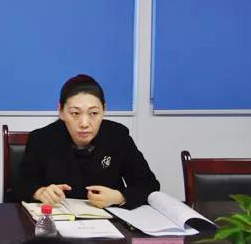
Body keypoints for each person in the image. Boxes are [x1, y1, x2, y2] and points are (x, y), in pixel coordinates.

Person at [13, 74, 159, 208]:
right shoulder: (41, 139)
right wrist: (40, 192)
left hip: (109, 221)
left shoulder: (118, 136)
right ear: (61, 111)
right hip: (57, 221)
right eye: (75, 113)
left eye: (93, 113)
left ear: (104, 110)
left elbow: (149, 185)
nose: (84, 123)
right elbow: (20, 186)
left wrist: (119, 197)